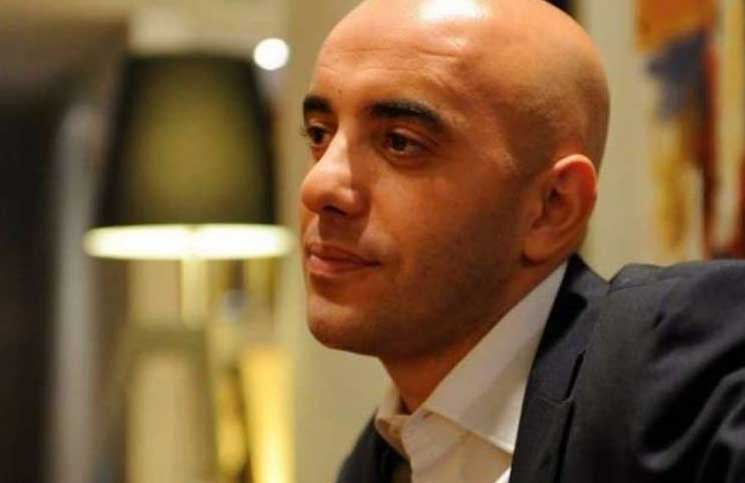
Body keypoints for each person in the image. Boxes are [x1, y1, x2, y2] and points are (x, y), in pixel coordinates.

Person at [297, 0, 745, 482]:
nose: (318, 186)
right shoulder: (373, 463)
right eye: (319, 134)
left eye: (400, 142)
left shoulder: (689, 386)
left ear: (553, 206)